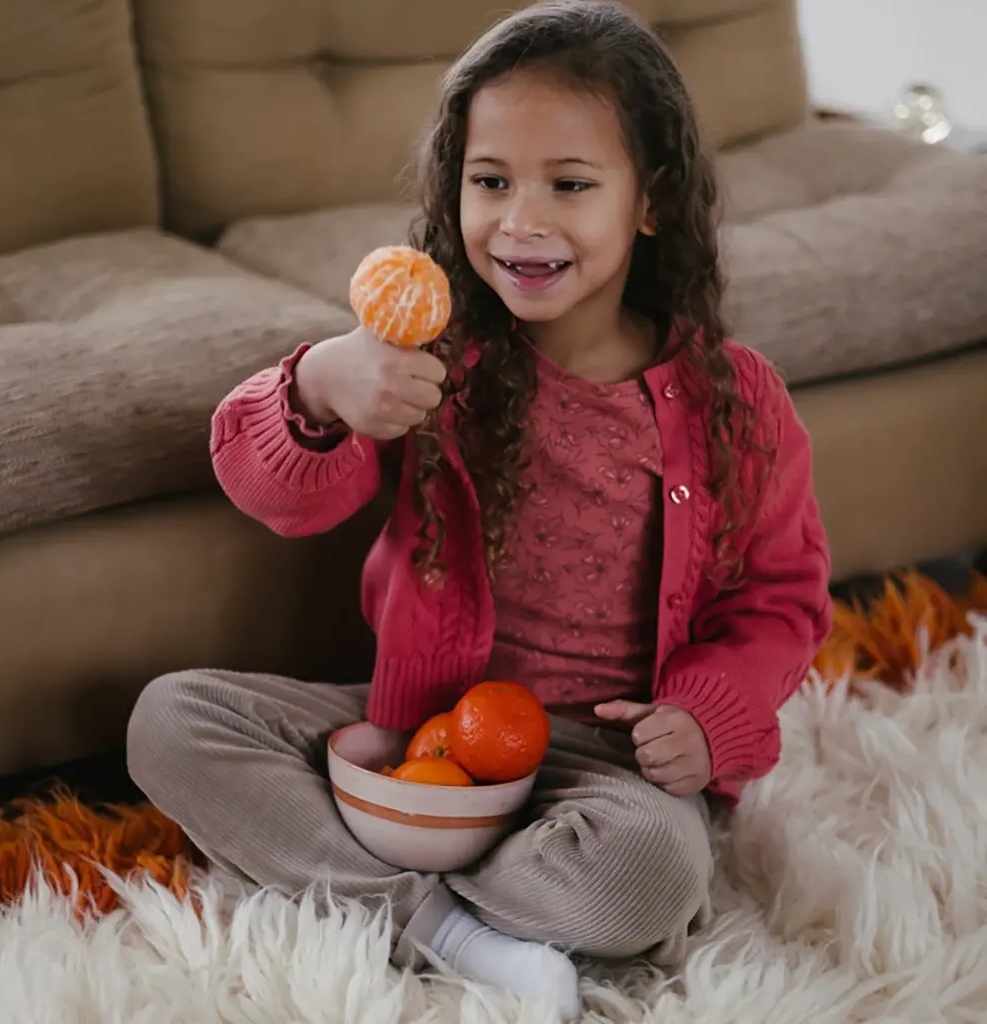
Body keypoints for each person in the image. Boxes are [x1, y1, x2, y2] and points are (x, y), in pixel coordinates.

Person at [127, 1, 832, 1018]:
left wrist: (708, 716)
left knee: (650, 878)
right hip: (421, 739)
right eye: (490, 181)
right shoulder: (430, 359)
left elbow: (782, 598)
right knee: (170, 720)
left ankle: (371, 881)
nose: (521, 220)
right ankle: (447, 927)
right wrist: (323, 386)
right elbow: (272, 490)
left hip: (608, 760)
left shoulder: (739, 399)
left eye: (570, 184)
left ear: (649, 200)